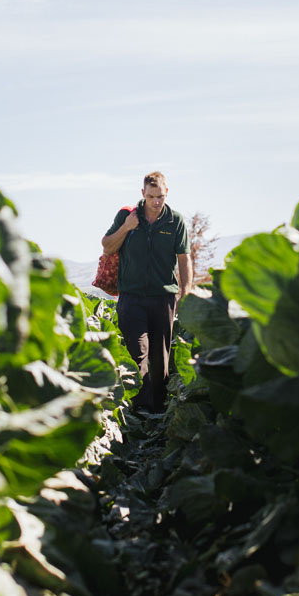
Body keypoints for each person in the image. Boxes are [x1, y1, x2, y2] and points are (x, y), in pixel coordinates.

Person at [101, 171, 192, 414]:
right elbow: (107, 245)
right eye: (151, 196)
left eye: (160, 196)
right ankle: (139, 410)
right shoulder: (127, 216)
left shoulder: (176, 221)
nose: (155, 201)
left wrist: (186, 291)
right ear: (143, 194)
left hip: (164, 298)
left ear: (166, 193)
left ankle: (159, 411)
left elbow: (184, 259)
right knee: (136, 353)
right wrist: (126, 228)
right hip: (131, 297)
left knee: (161, 357)